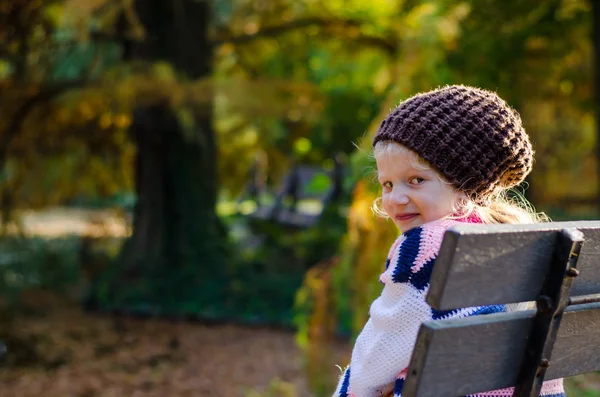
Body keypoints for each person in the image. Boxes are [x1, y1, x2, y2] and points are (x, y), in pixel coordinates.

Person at [332, 85, 565, 397]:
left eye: (416, 180)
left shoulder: (429, 248)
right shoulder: (521, 239)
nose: (395, 198)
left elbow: (373, 364)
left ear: (467, 184)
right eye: (387, 184)